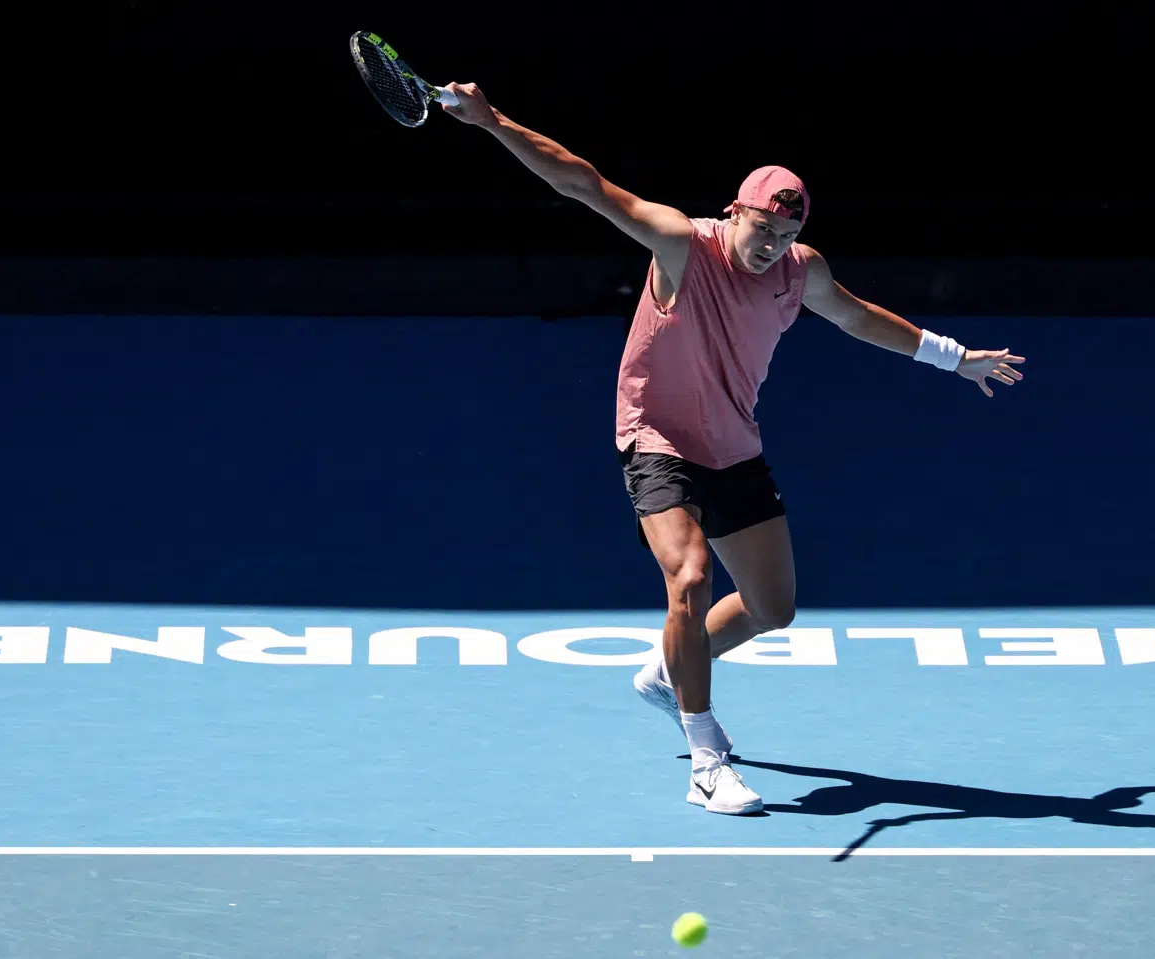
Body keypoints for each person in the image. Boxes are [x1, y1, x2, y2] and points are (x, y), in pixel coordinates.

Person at [439, 82, 1026, 816]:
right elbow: (580, 181)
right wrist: (493, 121)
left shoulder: (798, 272)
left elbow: (856, 317)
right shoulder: (681, 243)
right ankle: (706, 756)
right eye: (762, 230)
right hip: (655, 438)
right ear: (734, 211)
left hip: (732, 444)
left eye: (784, 235)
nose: (771, 247)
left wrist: (952, 355)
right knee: (688, 578)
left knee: (772, 608)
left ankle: (667, 672)